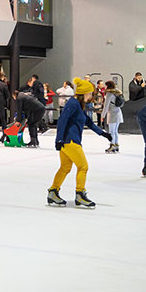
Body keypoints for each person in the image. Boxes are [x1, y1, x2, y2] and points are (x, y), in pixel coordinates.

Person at [47, 78, 113, 209]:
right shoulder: (73, 103)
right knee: (83, 167)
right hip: (69, 141)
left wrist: (103, 133)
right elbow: (62, 120)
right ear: (84, 94)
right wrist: (58, 139)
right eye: (89, 94)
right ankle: (80, 194)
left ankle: (53, 192)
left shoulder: (79, 105)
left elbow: (88, 122)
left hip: (69, 141)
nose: (91, 97)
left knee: (65, 168)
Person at [101, 80, 124, 154]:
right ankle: (116, 145)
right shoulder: (117, 92)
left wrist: (102, 115)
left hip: (112, 114)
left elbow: (106, 105)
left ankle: (112, 146)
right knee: (115, 131)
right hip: (118, 112)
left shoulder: (109, 94)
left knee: (111, 131)